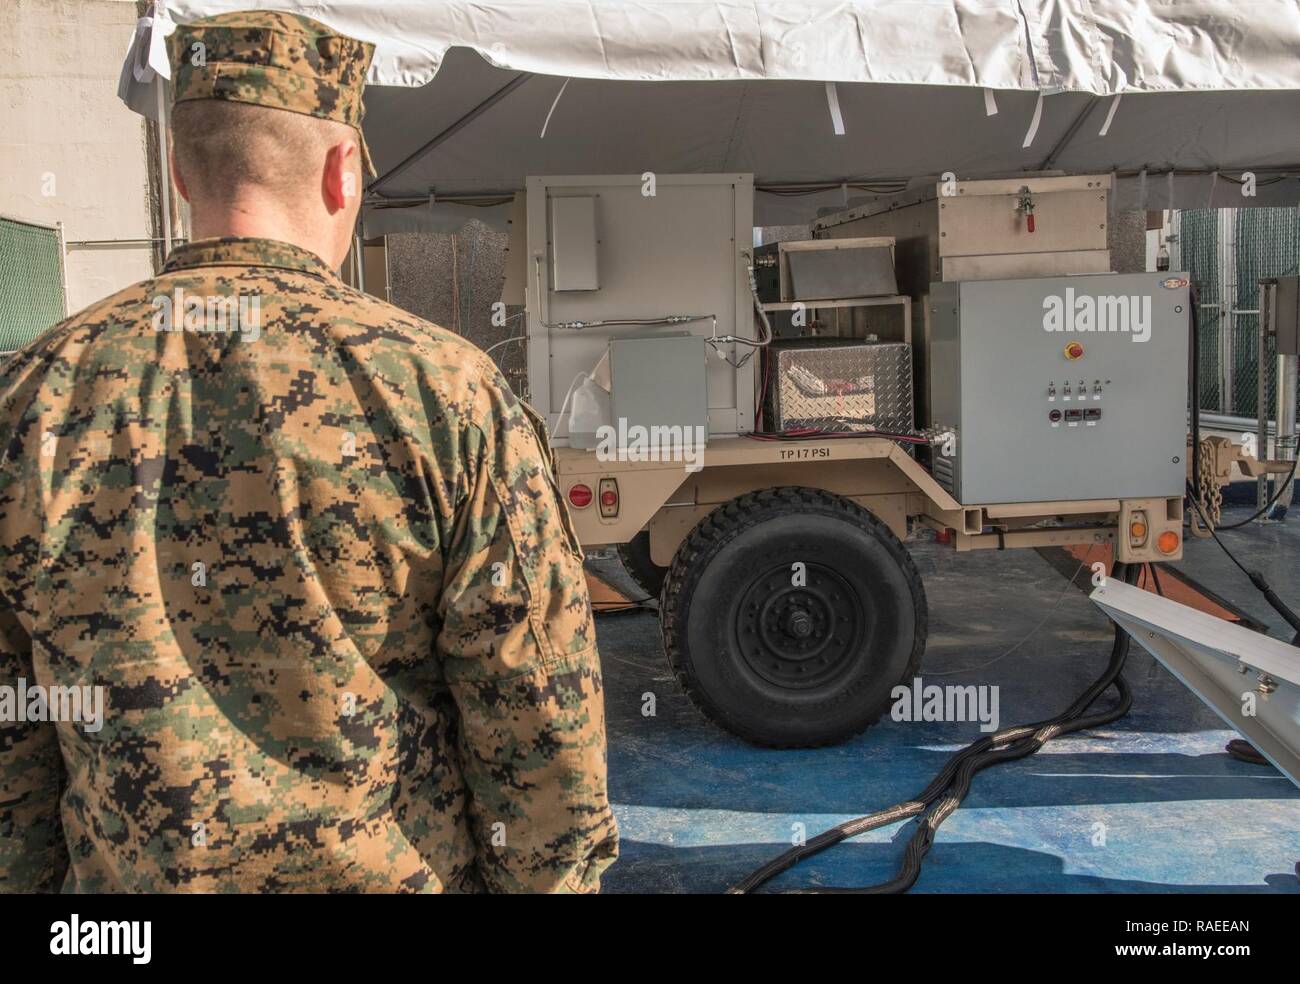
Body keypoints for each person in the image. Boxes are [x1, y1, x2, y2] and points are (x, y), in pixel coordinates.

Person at [0, 10, 616, 893]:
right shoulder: (445, 393)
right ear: (342, 172)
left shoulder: (33, 396)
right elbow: (537, 709)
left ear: (179, 170)